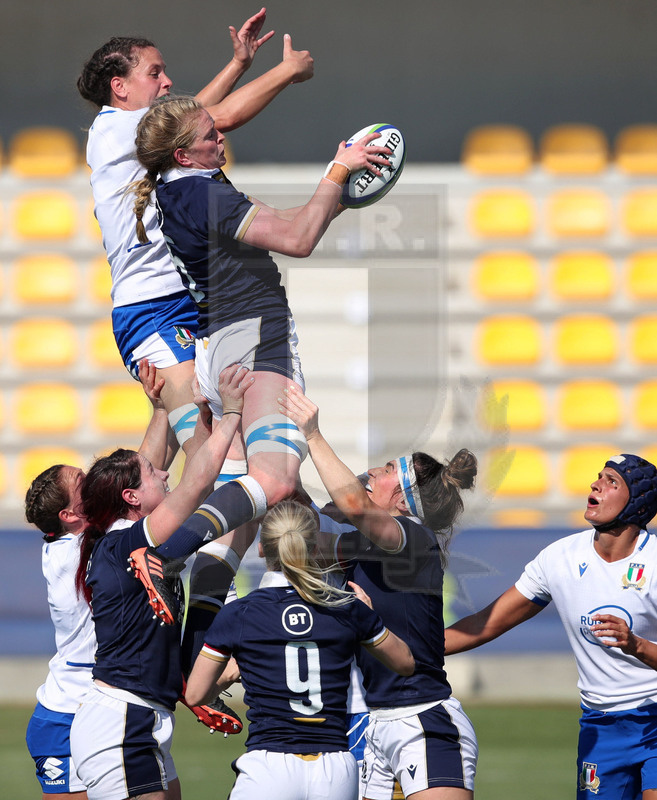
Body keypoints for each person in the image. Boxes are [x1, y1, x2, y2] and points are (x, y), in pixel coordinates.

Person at [129, 94, 392, 566]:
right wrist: (337, 170)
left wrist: (340, 195)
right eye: (209, 134)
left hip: (222, 347)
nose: (221, 136)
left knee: (242, 513)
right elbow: (297, 239)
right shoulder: (203, 194)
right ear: (183, 154)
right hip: (254, 339)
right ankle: (160, 555)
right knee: (274, 480)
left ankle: (203, 611)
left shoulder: (186, 187)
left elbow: (286, 222)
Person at [76, 9, 314, 459]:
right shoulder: (114, 128)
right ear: (119, 87)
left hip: (188, 302)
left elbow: (193, 115)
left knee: (194, 445)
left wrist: (239, 64)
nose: (167, 81)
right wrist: (286, 71)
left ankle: (130, 508)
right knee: (210, 449)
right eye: (154, 73)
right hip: (152, 307)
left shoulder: (136, 128)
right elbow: (214, 118)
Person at [281, 384, 479, 800]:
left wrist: (312, 434)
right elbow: (302, 518)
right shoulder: (367, 541)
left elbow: (354, 505)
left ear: (405, 503)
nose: (372, 471)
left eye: (388, 469)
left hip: (422, 718)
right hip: (380, 721)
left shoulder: (414, 538)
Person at [68, 364, 254, 800]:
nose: (165, 473)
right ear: (131, 498)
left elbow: (186, 489)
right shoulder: (125, 544)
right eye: (154, 473)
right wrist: (231, 414)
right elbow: (197, 483)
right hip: (122, 722)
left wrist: (169, 411)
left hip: (142, 717)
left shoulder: (122, 542)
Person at [444, 453, 657, 800]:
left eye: (612, 481)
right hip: (600, 725)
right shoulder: (560, 557)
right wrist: (412, 651)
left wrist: (637, 645)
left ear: (637, 502)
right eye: (598, 476)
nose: (596, 485)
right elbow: (487, 622)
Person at [184, 499, 415, 800]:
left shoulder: (239, 614)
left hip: (270, 765)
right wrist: (370, 618)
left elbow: (195, 695)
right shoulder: (347, 608)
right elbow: (406, 662)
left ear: (261, 549)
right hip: (335, 769)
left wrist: (230, 674)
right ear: (315, 549)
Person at [23, 360, 170, 800]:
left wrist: (161, 411)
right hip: (66, 714)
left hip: (110, 707)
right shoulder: (78, 551)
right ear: (70, 514)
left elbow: (136, 478)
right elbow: (136, 485)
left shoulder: (82, 541)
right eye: (83, 483)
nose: (94, 484)